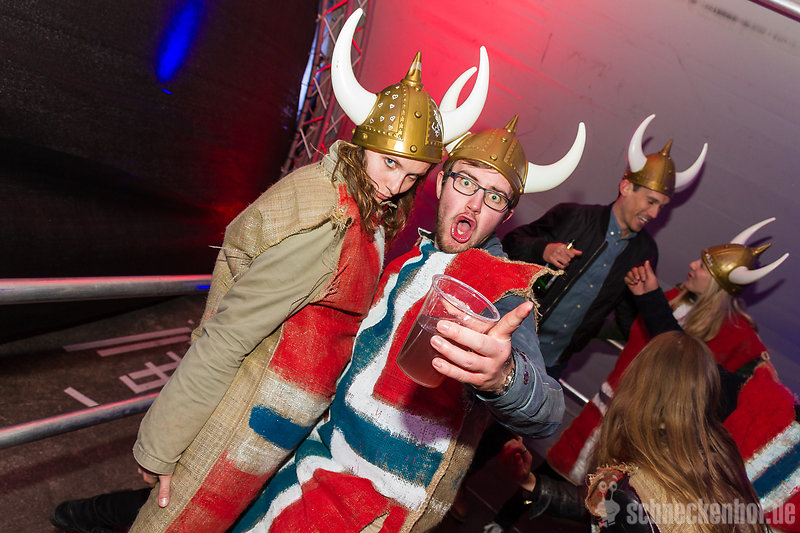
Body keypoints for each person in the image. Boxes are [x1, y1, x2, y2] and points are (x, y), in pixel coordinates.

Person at [48, 9, 491, 533]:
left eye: (412, 175)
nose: (396, 185)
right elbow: (227, 337)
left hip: (269, 435)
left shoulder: (365, 208)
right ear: (361, 144)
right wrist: (160, 445)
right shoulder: (327, 222)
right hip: (235, 428)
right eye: (389, 163)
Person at [226, 114, 586, 533]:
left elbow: (548, 410)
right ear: (441, 182)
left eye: (494, 197)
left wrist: (502, 377)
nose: (474, 203)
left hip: (375, 502)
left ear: (505, 215)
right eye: (466, 182)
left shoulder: (502, 290)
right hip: (314, 455)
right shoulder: (412, 256)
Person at [486, 218, 792, 532]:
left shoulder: (739, 339)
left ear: (717, 284)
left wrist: (650, 300)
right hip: (606, 414)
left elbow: (686, 367)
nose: (692, 265)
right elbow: (630, 333)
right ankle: (499, 523)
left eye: (703, 266)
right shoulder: (672, 298)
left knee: (608, 504)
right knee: (558, 477)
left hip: (651, 441)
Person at [501, 113, 708, 377]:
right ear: (626, 187)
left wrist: (646, 299)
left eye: (661, 207)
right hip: (511, 339)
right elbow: (510, 244)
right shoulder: (573, 216)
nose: (655, 214)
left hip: (551, 365)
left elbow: (627, 321)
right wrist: (543, 249)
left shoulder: (645, 253)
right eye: (650, 201)